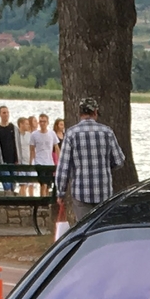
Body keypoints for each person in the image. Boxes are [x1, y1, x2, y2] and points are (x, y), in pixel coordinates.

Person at [55, 97, 127, 228]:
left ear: (80, 113)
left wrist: (61, 193)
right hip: (103, 191)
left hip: (81, 192)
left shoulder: (71, 133)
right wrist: (105, 165)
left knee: (84, 229)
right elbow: (119, 160)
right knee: (101, 229)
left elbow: (63, 167)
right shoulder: (107, 132)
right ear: (95, 112)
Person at [0, 106, 19, 185]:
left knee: (13, 185)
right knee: (7, 183)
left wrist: (17, 159)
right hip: (1, 161)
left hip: (13, 161)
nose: (6, 114)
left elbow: (17, 145)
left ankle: (11, 196)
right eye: (4, 113)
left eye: (7, 112)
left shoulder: (14, 128)